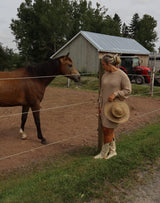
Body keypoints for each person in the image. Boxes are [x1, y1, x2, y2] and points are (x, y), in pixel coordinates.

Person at [94, 53, 132, 160]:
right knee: (107, 130)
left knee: (107, 130)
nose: (102, 66)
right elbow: (102, 92)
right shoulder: (105, 75)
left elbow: (128, 90)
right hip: (104, 106)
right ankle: (113, 151)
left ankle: (103, 153)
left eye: (103, 64)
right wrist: (100, 105)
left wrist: (115, 94)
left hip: (114, 109)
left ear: (109, 63)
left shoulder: (121, 75)